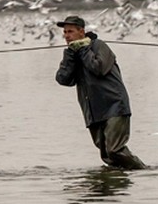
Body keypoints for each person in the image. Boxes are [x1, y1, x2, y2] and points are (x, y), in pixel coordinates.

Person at [54, 15, 146, 170]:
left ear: (81, 31)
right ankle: (115, 186)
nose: (66, 36)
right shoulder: (72, 53)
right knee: (107, 156)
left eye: (70, 31)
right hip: (92, 110)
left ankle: (143, 172)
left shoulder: (99, 46)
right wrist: (71, 55)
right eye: (65, 32)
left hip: (114, 105)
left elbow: (99, 68)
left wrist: (83, 49)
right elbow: (63, 79)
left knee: (115, 150)